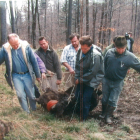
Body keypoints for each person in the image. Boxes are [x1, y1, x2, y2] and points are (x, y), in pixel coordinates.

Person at [101, 36, 140, 124]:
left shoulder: (130, 57)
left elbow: (138, 66)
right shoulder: (109, 52)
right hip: (106, 79)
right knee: (104, 98)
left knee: (113, 99)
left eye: (122, 48)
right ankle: (103, 113)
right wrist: (102, 75)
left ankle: (108, 116)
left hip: (118, 81)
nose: (120, 50)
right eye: (118, 48)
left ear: (125, 47)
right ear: (115, 46)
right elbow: (104, 64)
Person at [0, 33, 41, 113]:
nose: (15, 46)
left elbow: (34, 61)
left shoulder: (26, 47)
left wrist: (38, 75)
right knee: (20, 95)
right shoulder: (5, 49)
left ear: (19, 40)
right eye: (13, 45)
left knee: (31, 95)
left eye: (16, 44)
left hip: (27, 74)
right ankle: (26, 112)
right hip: (16, 75)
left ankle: (34, 109)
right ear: (9, 43)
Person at [75, 35, 104, 120]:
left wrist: (80, 79)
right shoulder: (80, 51)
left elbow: (93, 72)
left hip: (93, 79)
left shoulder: (96, 55)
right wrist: (77, 77)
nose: (83, 50)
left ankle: (84, 118)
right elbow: (77, 66)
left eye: (85, 49)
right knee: (77, 97)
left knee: (85, 99)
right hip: (82, 78)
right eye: (82, 48)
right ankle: (78, 113)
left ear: (90, 46)